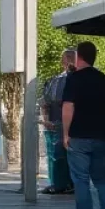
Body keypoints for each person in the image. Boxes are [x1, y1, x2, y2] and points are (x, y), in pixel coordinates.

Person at [61, 40, 105, 209]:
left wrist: (66, 134)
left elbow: (68, 107)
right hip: (103, 138)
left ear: (78, 57)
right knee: (103, 181)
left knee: (81, 182)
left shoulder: (73, 80)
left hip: (79, 138)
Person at [39, 48, 76, 195]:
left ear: (65, 61)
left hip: (59, 124)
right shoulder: (87, 79)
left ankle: (60, 184)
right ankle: (70, 184)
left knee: (58, 155)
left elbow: (45, 102)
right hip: (79, 125)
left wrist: (47, 120)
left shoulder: (58, 81)